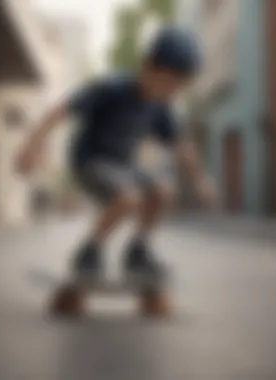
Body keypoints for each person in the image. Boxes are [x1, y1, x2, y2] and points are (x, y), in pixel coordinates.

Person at [16, 27, 217, 281]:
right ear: (147, 66)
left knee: (163, 192)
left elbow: (181, 144)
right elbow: (60, 111)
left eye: (178, 86)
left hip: (122, 166)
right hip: (90, 162)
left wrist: (200, 180)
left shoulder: (160, 106)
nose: (171, 91)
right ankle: (90, 250)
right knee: (128, 198)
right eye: (168, 82)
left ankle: (138, 251)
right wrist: (32, 146)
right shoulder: (112, 88)